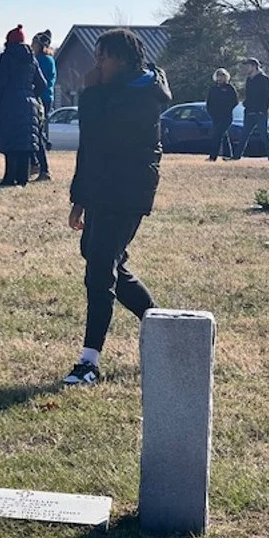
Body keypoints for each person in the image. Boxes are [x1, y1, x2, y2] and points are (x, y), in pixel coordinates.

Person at [64, 29, 172, 386]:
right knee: (99, 256)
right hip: (102, 190)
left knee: (100, 269)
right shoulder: (111, 91)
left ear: (124, 60)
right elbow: (90, 150)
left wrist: (90, 93)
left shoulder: (142, 95)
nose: (97, 64)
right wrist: (80, 199)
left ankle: (89, 361)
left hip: (127, 192)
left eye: (103, 56)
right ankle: (161, 325)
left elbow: (103, 137)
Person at [0, 24, 47, 187]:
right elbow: (42, 84)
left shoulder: (6, 57)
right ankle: (23, 178)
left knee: (11, 140)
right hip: (29, 102)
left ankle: (9, 177)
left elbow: (1, 81)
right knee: (25, 143)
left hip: (10, 101)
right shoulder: (32, 59)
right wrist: (32, 94)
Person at [235, 57, 269, 160]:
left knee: (264, 135)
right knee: (244, 135)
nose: (246, 68)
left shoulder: (264, 79)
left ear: (254, 66)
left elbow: (266, 96)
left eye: (248, 66)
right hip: (249, 112)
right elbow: (248, 95)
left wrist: (263, 110)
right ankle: (236, 157)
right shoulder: (249, 79)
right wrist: (245, 104)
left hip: (260, 113)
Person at [31, 30, 57, 181]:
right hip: (45, 98)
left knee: (37, 133)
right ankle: (35, 164)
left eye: (34, 44)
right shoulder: (47, 59)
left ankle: (44, 169)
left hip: (42, 98)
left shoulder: (42, 60)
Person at [205, 68, 238, 161]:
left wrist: (227, 109)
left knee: (217, 135)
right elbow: (209, 103)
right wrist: (211, 113)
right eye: (218, 76)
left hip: (226, 117)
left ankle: (213, 157)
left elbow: (235, 101)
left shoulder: (229, 88)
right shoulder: (213, 89)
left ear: (226, 77)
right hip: (215, 117)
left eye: (222, 76)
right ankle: (228, 155)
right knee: (223, 136)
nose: (220, 78)